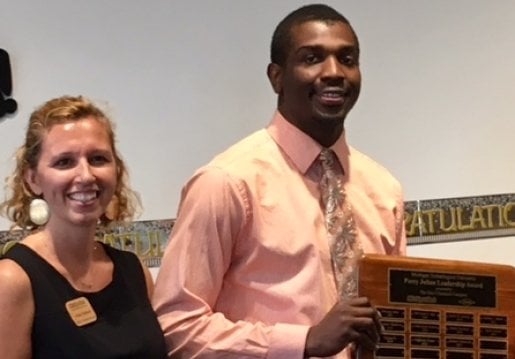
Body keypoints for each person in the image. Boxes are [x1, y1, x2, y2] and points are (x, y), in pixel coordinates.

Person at [153, 4, 406, 359]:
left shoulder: (384, 189)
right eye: (312, 58)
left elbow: (398, 319)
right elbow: (177, 328)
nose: (334, 72)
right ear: (276, 77)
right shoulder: (226, 183)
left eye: (347, 59)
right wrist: (304, 342)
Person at [0, 96, 167, 358]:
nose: (86, 175)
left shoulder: (135, 271)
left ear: (117, 170)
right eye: (64, 162)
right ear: (33, 180)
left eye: (98, 158)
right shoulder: (12, 281)